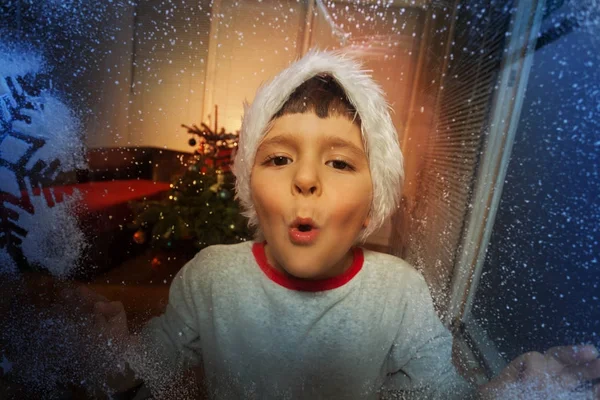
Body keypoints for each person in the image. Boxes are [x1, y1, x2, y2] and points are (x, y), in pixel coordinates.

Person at [83, 50, 600, 399]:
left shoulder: (399, 292)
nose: (305, 179)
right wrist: (108, 350)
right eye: (280, 159)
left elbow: (440, 392)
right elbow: (147, 369)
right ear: (249, 185)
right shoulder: (209, 278)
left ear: (375, 198)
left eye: (340, 163)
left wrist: (504, 389)